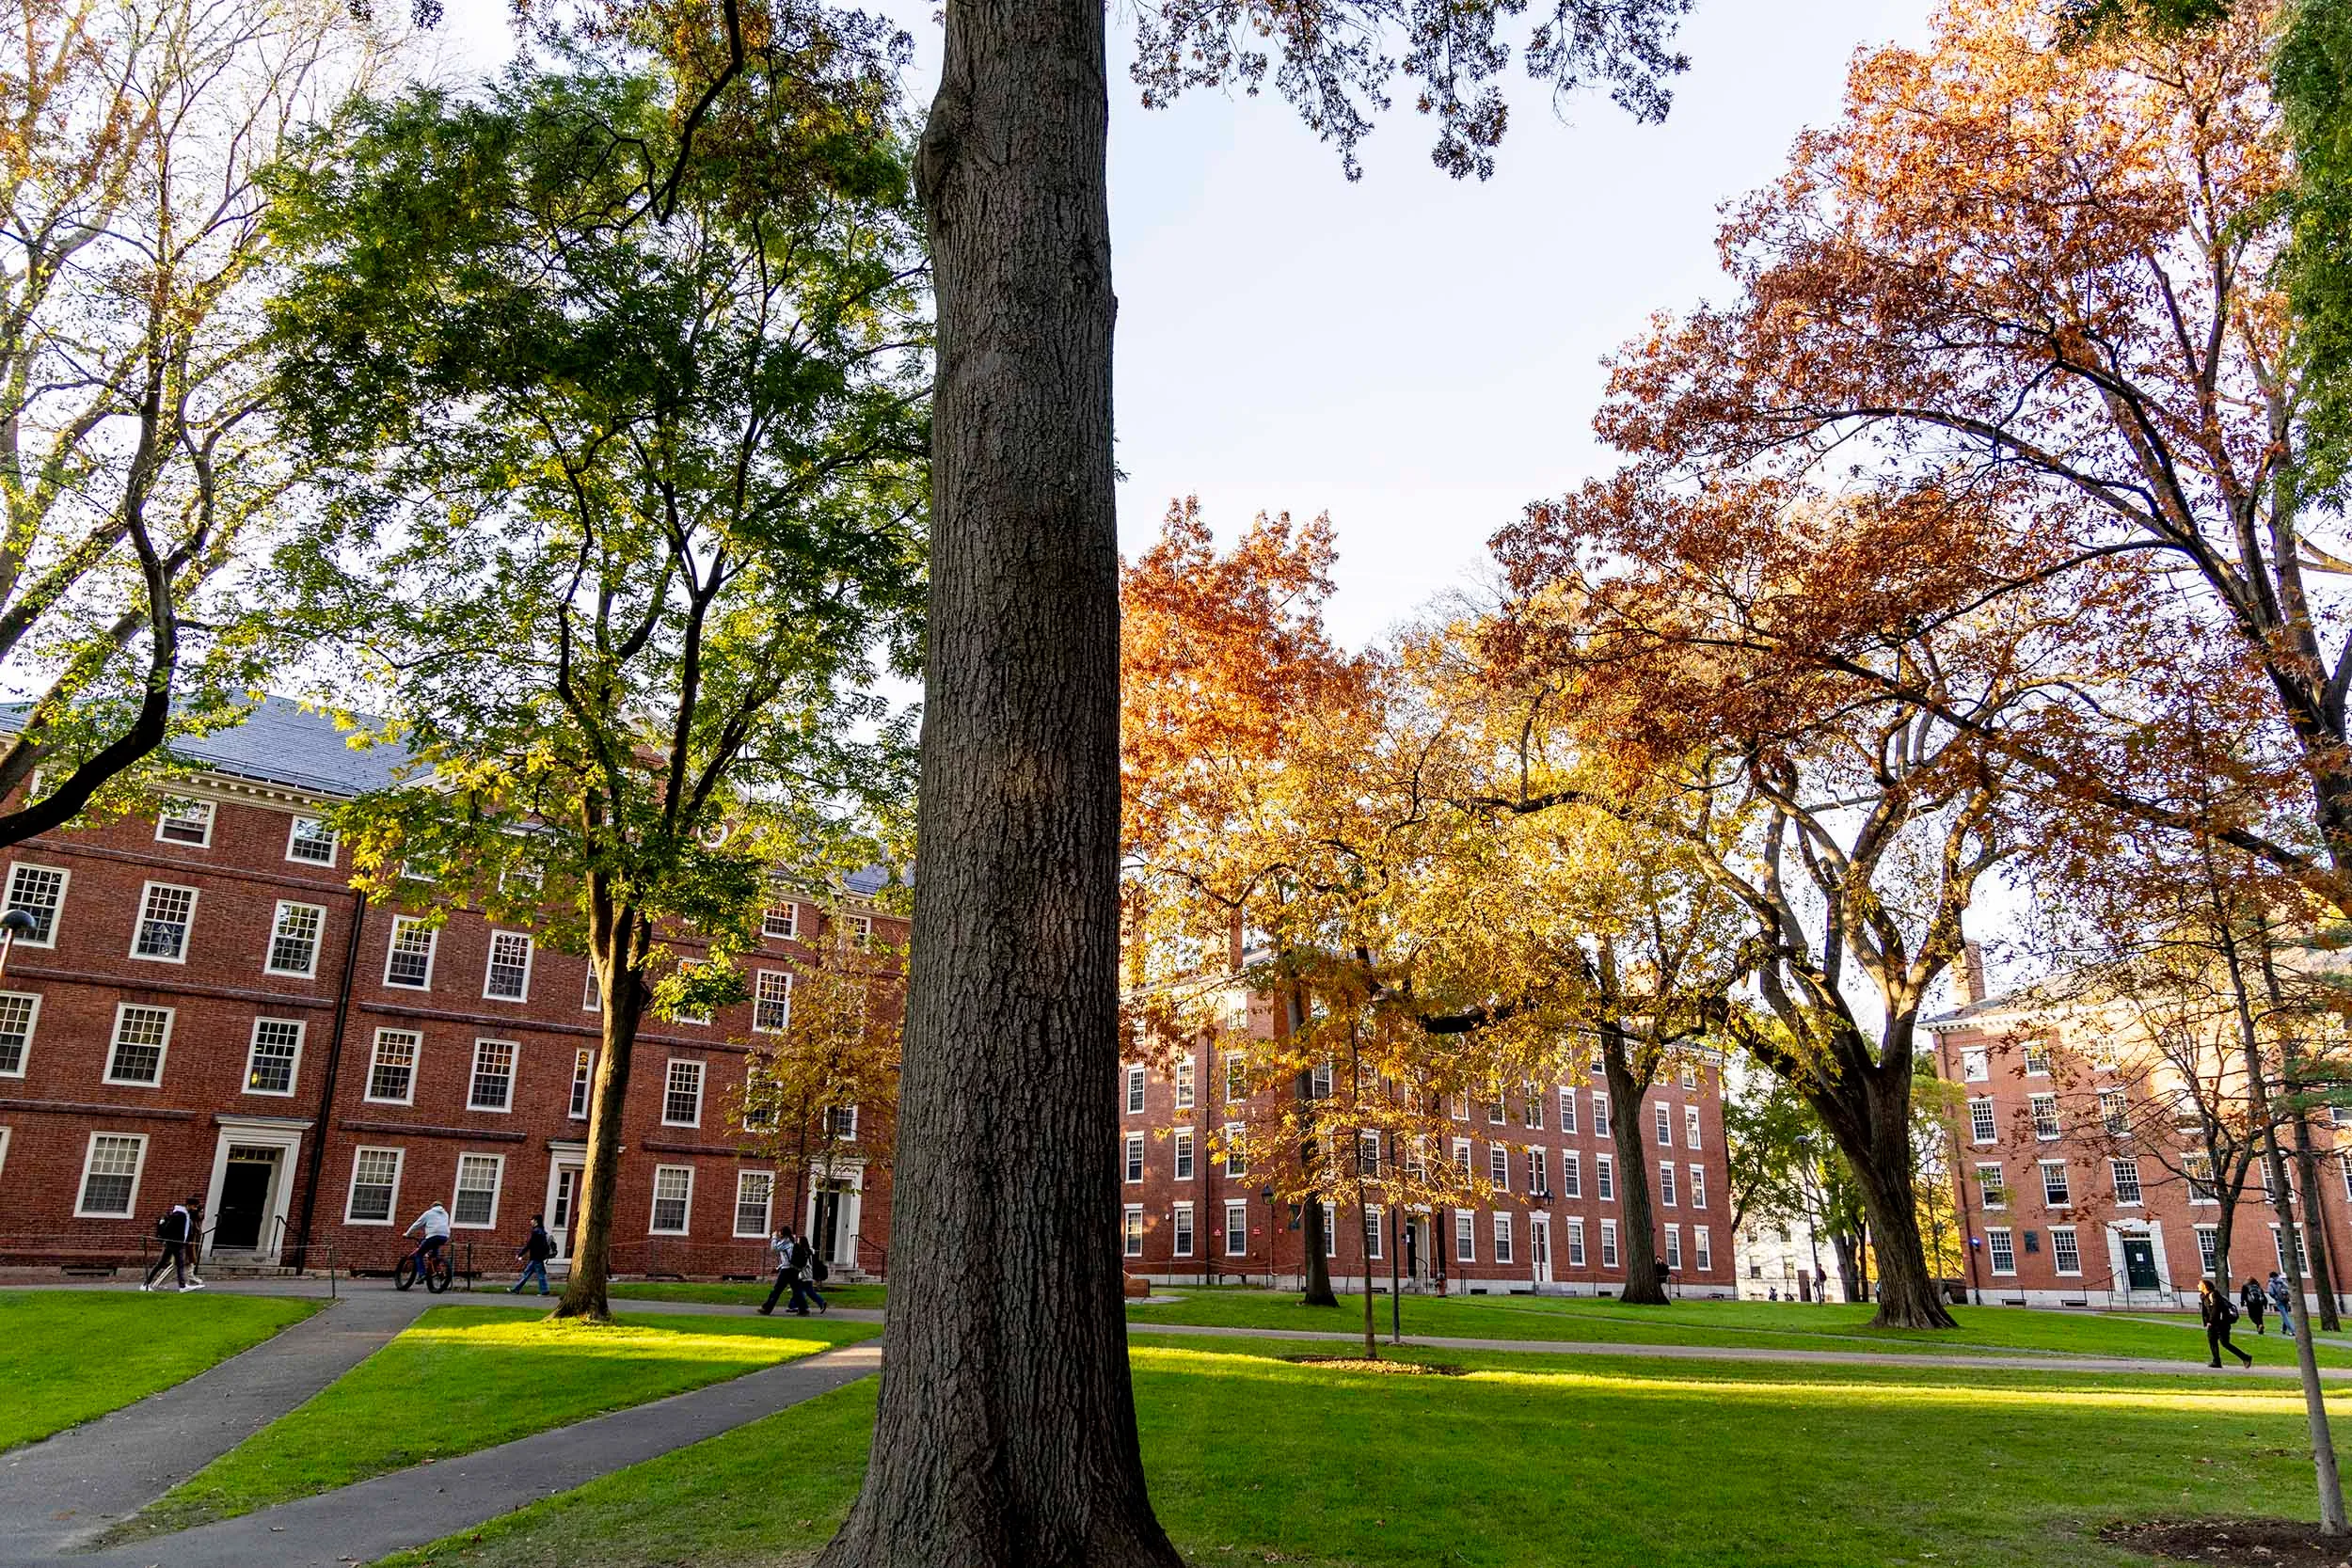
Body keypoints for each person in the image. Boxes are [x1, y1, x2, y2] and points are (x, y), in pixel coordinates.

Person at [141, 1195, 204, 1292]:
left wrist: (185, 1240)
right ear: (189, 1205)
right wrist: (171, 1239)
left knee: (179, 1265)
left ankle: (182, 1286)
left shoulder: (185, 1215)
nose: (195, 1209)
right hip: (173, 1244)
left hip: (179, 1244)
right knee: (161, 1264)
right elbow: (169, 1228)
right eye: (194, 1206)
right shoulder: (179, 1215)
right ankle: (146, 1284)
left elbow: (185, 1231)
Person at [2201, 1278, 2253, 1368]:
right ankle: (2216, 1361)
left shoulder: (2214, 1294)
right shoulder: (2203, 1296)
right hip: (2213, 1324)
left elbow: (2216, 1309)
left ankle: (2245, 1357)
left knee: (2225, 1343)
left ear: (2205, 1286)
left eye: (2200, 1284)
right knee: (2212, 1341)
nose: (2198, 1285)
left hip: (2222, 1323)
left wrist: (2211, 1321)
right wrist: (2206, 1321)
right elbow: (2205, 1311)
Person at [510, 1212, 555, 1295]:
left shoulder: (536, 1232)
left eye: (532, 1219)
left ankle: (544, 1291)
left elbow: (529, 1245)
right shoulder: (542, 1231)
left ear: (536, 1221)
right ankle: (516, 1289)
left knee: (535, 1274)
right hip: (538, 1257)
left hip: (536, 1257)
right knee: (530, 1274)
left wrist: (520, 1254)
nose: (531, 1221)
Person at [404, 1200, 452, 1276]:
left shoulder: (429, 1213)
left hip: (432, 1236)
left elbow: (416, 1225)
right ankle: (435, 1270)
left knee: (419, 1254)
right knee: (434, 1254)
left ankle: (422, 1274)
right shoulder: (446, 1214)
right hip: (444, 1236)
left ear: (432, 1206)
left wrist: (407, 1234)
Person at [757, 1226, 797, 1316]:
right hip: (791, 1269)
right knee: (796, 1289)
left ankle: (767, 1308)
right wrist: (779, 1267)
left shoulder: (786, 1241)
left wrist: (774, 1237)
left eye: (780, 1232)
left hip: (787, 1270)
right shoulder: (791, 1241)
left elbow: (774, 1249)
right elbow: (787, 1258)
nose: (779, 1233)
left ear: (783, 1233)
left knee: (777, 1290)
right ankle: (803, 1308)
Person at [790, 1227, 829, 1316]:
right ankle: (794, 1305)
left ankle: (801, 1306)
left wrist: (798, 1270)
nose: (797, 1243)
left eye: (799, 1241)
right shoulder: (809, 1251)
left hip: (804, 1274)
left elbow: (804, 1264)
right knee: (806, 1291)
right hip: (808, 1274)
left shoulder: (805, 1252)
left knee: (802, 1291)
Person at [2270, 1271, 2296, 1335]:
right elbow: (2288, 1288)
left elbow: (2271, 1292)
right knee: (2286, 1314)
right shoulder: (2282, 1281)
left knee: (2285, 1316)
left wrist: (2275, 1297)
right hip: (2286, 1300)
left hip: (2279, 1301)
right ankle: (2283, 1329)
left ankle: (2292, 1330)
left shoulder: (2271, 1283)